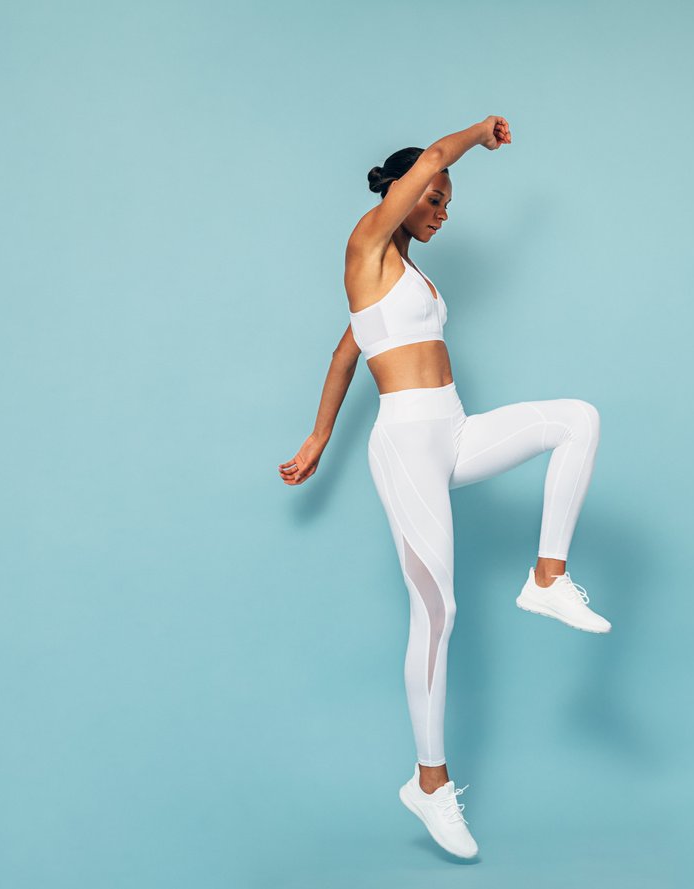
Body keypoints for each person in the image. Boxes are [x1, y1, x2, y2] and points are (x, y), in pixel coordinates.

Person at [278, 116, 610, 860]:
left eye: (447, 199)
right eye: (436, 197)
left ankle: (548, 576)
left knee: (577, 419)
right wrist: (478, 131)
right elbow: (429, 157)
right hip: (405, 444)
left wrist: (319, 430)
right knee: (438, 611)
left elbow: (343, 356)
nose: (444, 209)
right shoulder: (366, 243)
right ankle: (430, 783)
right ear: (406, 192)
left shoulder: (410, 276)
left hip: (452, 431)